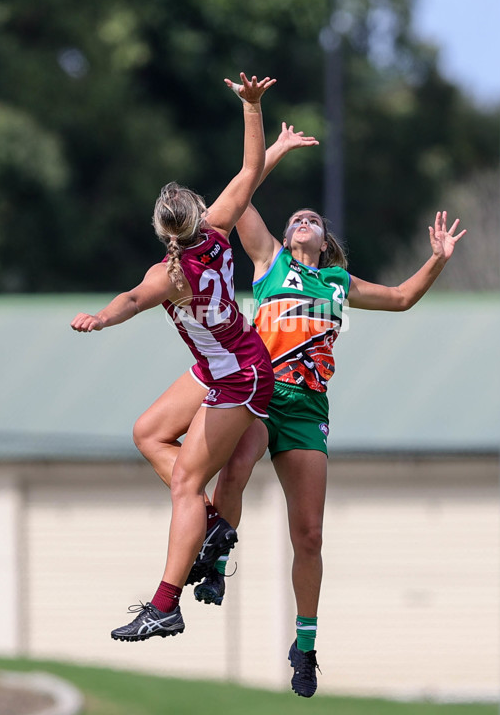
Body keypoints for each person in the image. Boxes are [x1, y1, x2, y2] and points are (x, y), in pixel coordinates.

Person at [192, 139, 467, 696]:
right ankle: (217, 564)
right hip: (261, 397)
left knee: (310, 536)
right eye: (296, 218)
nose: (301, 222)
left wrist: (436, 259)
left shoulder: (338, 283)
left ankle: (305, 645)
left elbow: (401, 297)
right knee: (236, 472)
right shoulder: (269, 263)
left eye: (311, 219)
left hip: (308, 411)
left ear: (325, 239)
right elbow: (240, 195)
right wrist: (273, 152)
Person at [70, 72, 276, 642]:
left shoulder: (167, 274)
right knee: (147, 432)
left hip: (238, 375)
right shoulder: (218, 226)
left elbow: (131, 300)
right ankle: (213, 527)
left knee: (186, 484)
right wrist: (252, 107)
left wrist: (100, 319)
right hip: (224, 363)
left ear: (164, 231)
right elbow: (250, 172)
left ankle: (166, 602)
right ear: (199, 215)